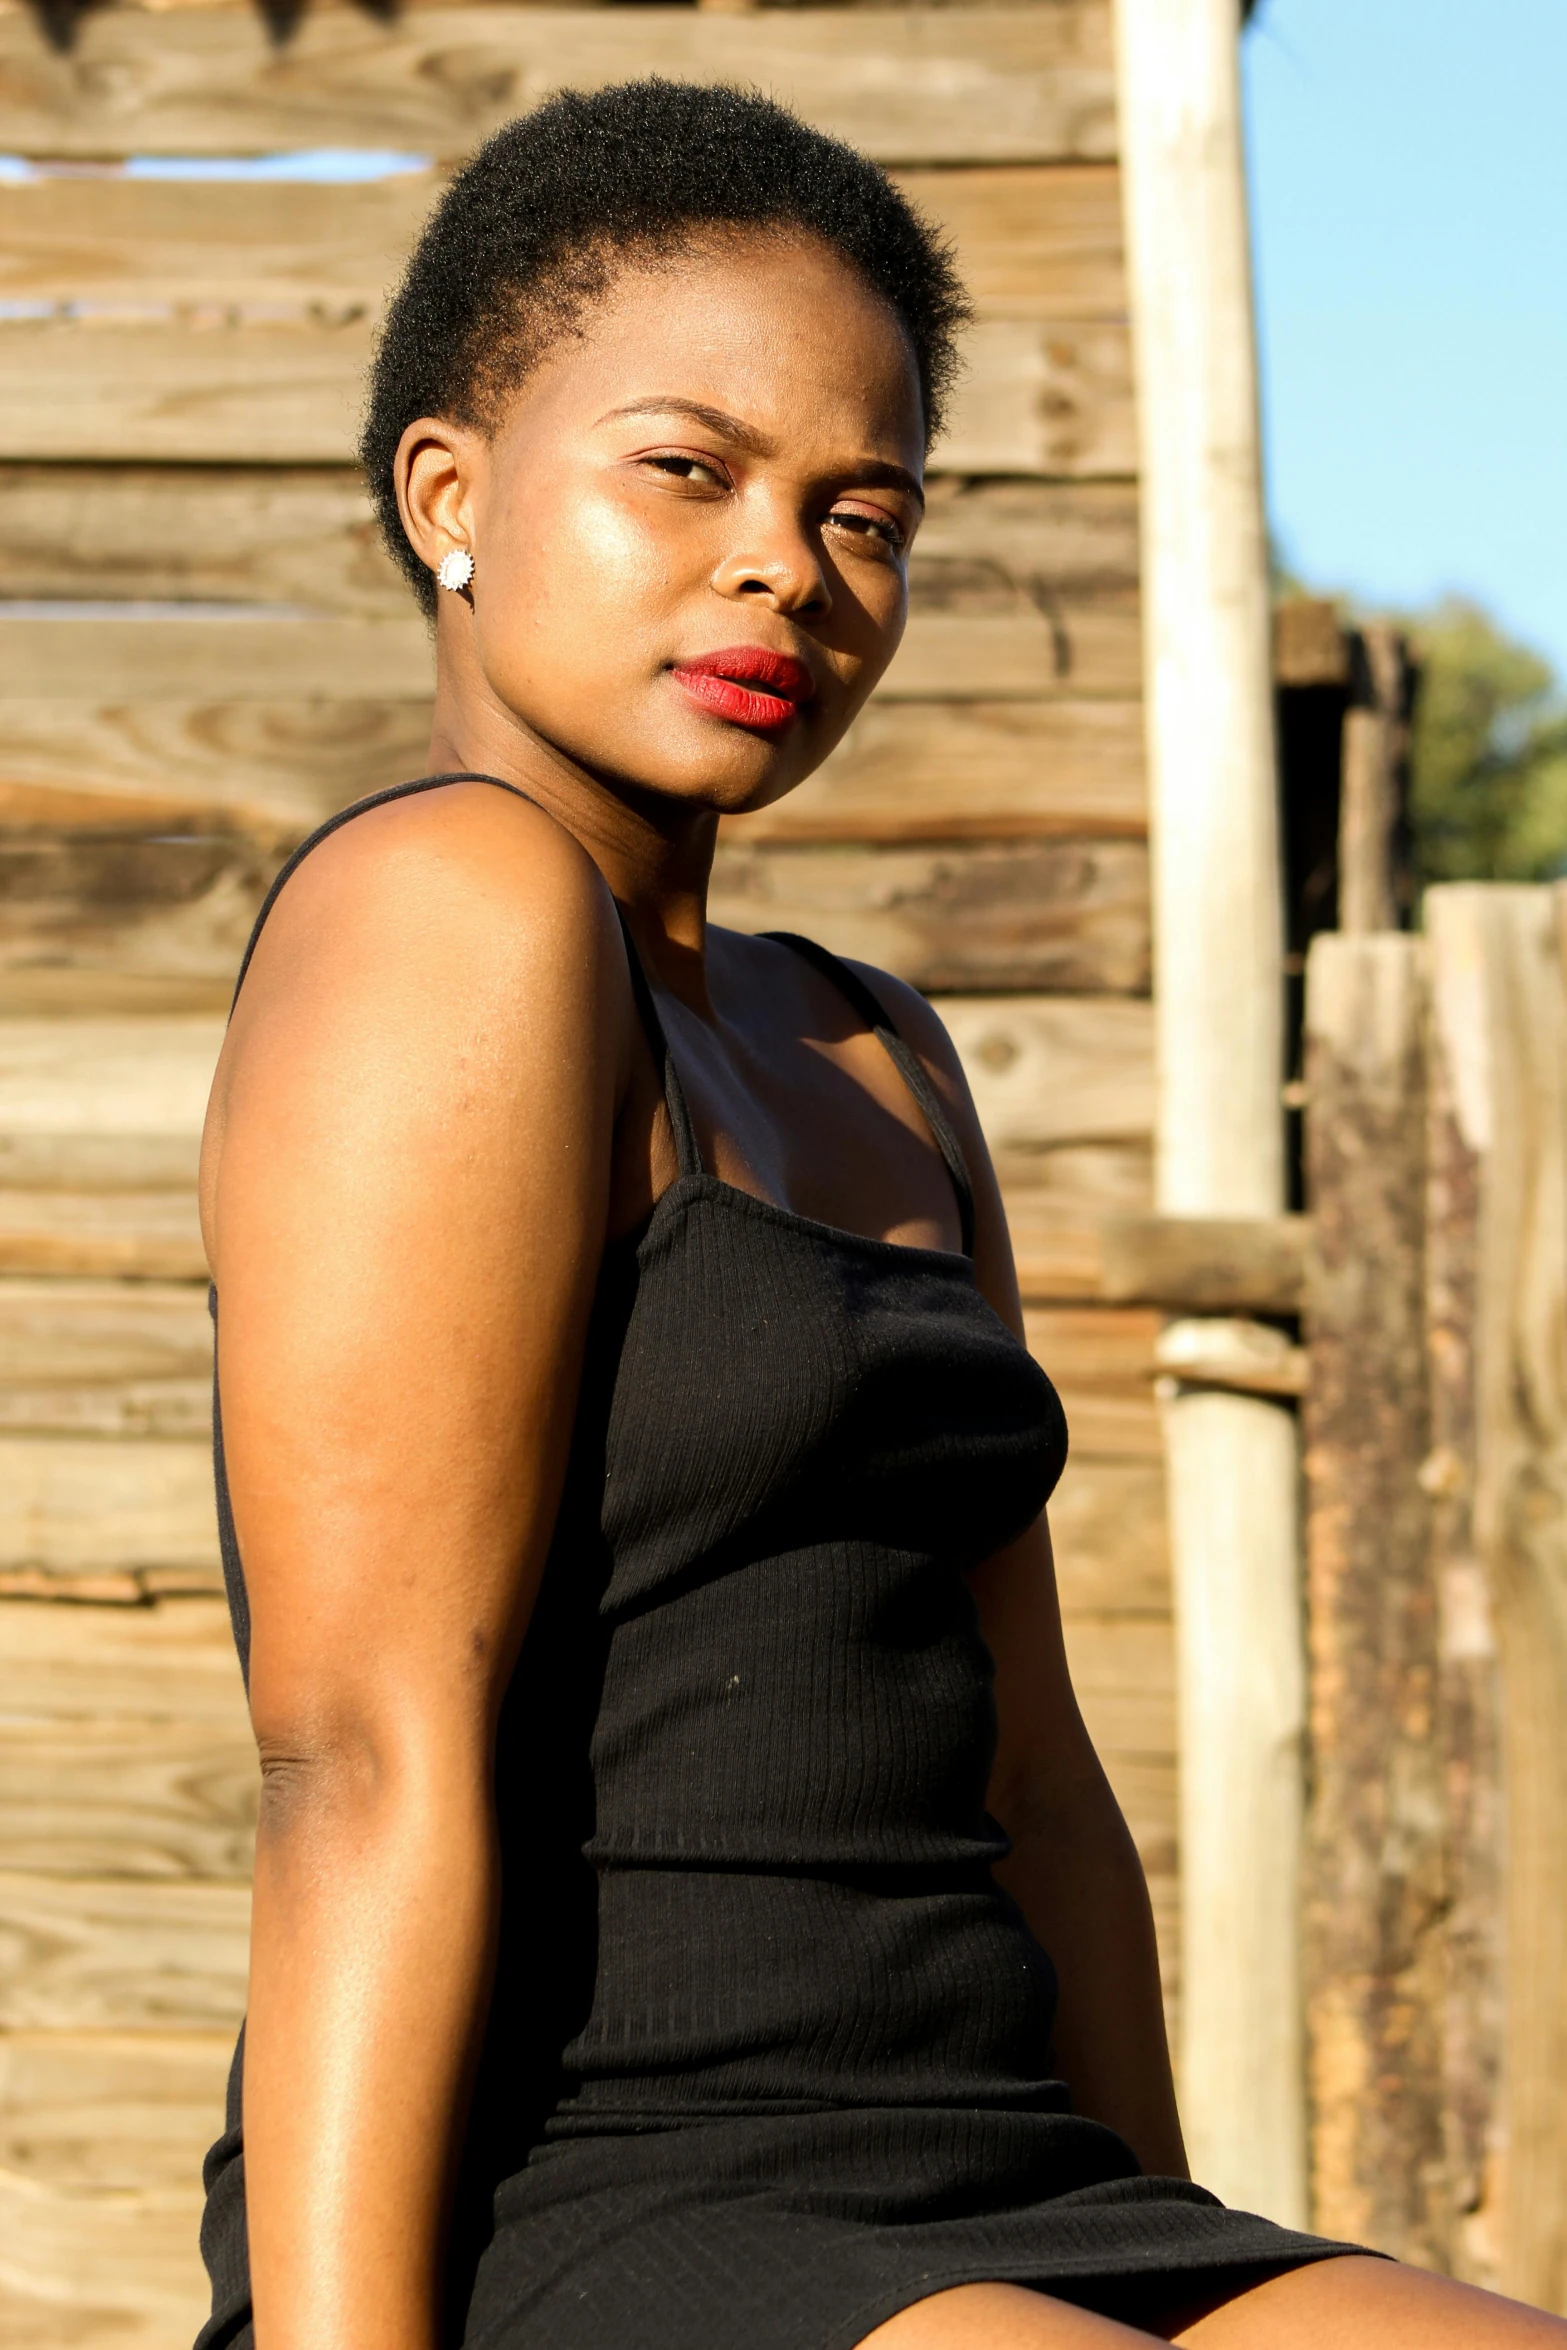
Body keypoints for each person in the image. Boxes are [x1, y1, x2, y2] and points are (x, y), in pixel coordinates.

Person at [194, 80, 1566, 2350]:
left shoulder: (876, 1049)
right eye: (688, 469)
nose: (784, 567)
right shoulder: (441, 910)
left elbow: (1033, 1760)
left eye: (866, 511)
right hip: (600, 2184)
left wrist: (1190, 2256)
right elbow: (360, 1752)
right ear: (451, 494)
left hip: (997, 2174)